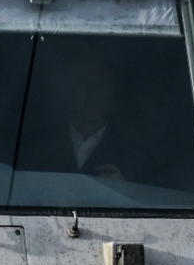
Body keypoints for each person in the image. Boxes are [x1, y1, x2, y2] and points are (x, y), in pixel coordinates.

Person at [20, 55, 148, 182]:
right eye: (84, 82)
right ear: (70, 90)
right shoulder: (36, 146)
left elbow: (146, 199)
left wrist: (124, 189)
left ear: (112, 93)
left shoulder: (133, 155)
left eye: (101, 83)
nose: (92, 92)